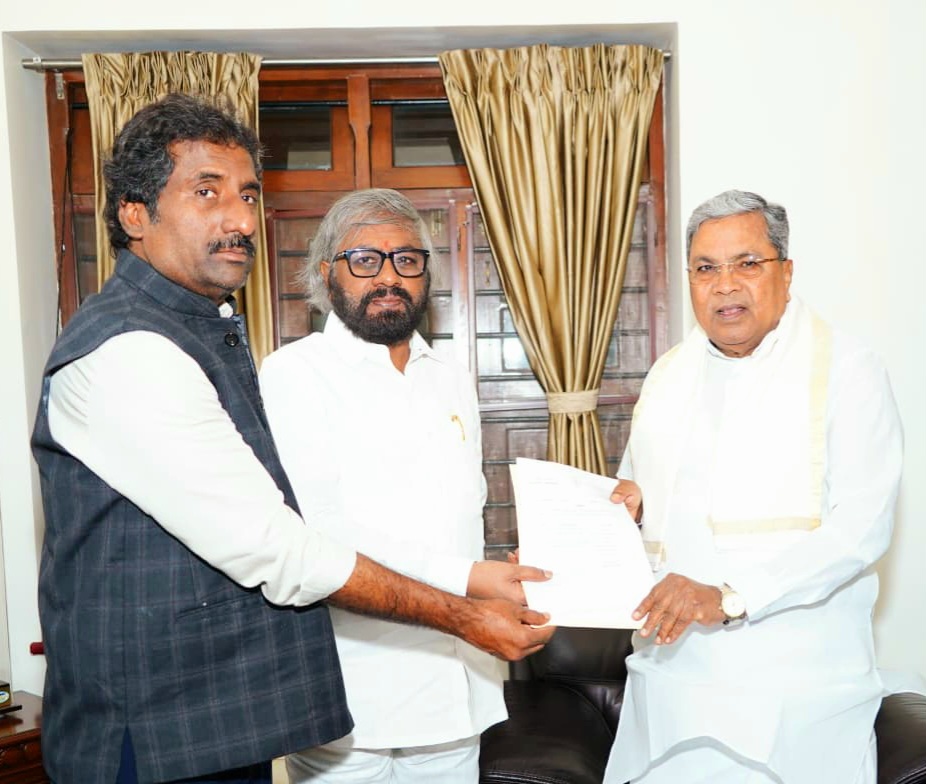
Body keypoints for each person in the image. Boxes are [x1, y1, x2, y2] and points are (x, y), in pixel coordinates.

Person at [31, 93, 555, 784]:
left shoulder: (203, 333)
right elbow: (283, 545)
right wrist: (465, 606)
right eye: (207, 192)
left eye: (248, 195)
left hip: (230, 722)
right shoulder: (133, 350)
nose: (240, 219)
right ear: (135, 214)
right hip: (160, 734)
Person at [603, 190, 903, 784]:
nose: (725, 285)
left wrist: (732, 595)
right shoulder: (667, 375)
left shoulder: (847, 369)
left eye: (747, 263)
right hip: (673, 683)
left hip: (797, 689)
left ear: (786, 273)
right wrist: (624, 516)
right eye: (705, 268)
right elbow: (636, 498)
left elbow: (862, 529)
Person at [258, 188, 538, 783]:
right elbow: (319, 533)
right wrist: (470, 578)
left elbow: (461, 515)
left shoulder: (451, 376)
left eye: (406, 259)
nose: (389, 277)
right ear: (326, 274)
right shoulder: (295, 374)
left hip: (457, 691)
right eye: (365, 260)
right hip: (351, 698)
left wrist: (502, 572)